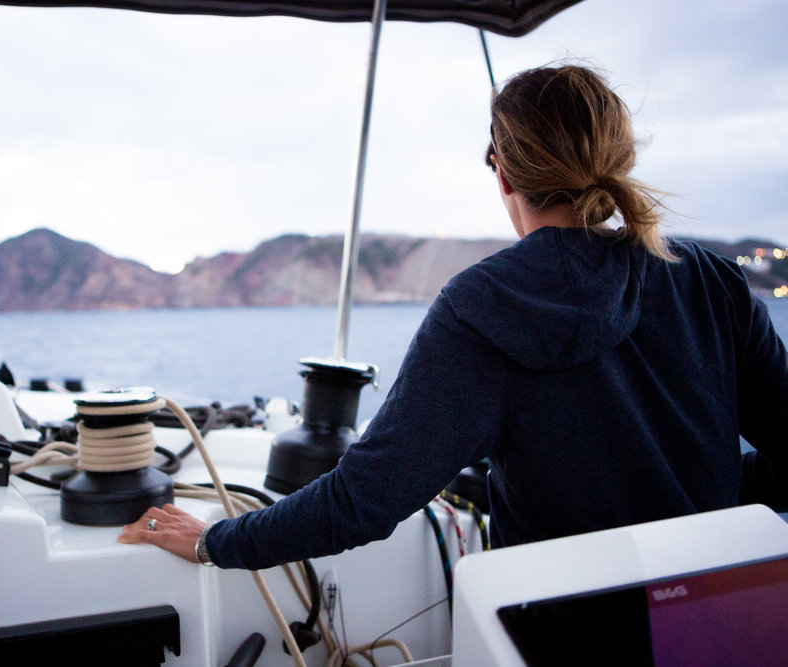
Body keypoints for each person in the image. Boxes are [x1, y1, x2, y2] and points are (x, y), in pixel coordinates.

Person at [118, 64, 788, 569]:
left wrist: (213, 539)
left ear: (503, 174)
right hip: (718, 616)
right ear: (620, 159)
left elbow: (363, 500)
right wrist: (721, 497)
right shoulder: (711, 281)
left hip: (557, 636)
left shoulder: (481, 308)